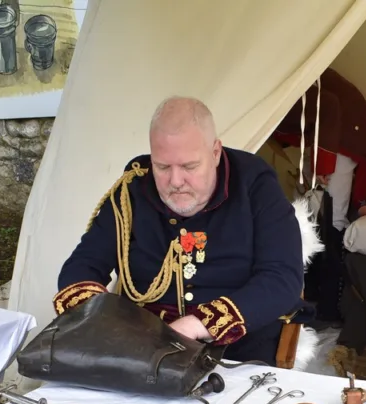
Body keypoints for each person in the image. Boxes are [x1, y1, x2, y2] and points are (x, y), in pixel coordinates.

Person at [56, 96, 308, 364]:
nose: (175, 181)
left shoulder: (254, 186)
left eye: (189, 166)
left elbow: (282, 278)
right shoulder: (132, 189)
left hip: (238, 356)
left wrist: (198, 325)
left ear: (215, 152)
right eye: (162, 166)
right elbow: (82, 266)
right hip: (142, 352)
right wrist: (103, 322)